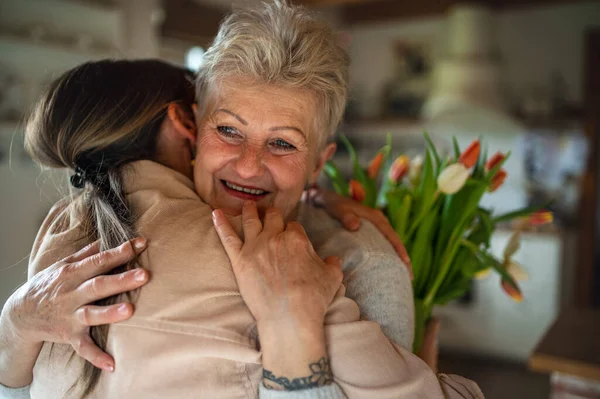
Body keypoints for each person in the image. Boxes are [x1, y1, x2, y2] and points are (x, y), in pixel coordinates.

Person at [1, 1, 481, 398]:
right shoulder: (93, 242)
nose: (249, 166)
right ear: (191, 128)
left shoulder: (364, 262)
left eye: (283, 143)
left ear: (320, 162)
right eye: (228, 130)